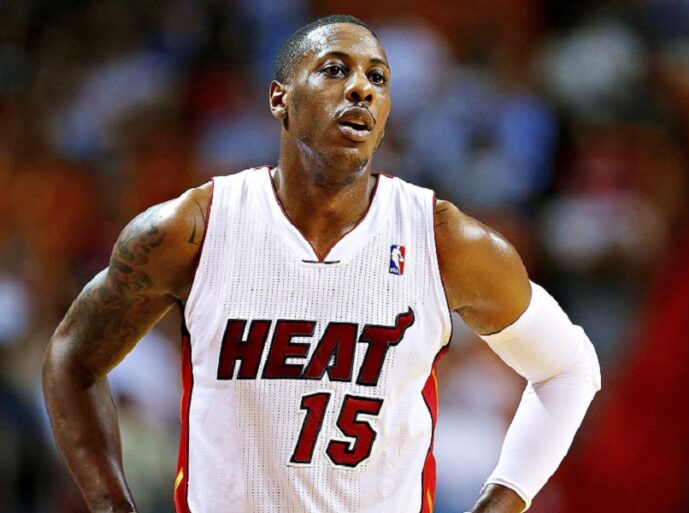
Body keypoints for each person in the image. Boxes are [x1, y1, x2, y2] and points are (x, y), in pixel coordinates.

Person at [42, 15, 601, 513]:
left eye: (377, 78)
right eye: (335, 69)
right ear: (279, 99)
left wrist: (504, 498)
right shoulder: (193, 229)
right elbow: (72, 358)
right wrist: (111, 504)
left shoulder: (442, 240)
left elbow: (568, 368)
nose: (360, 87)